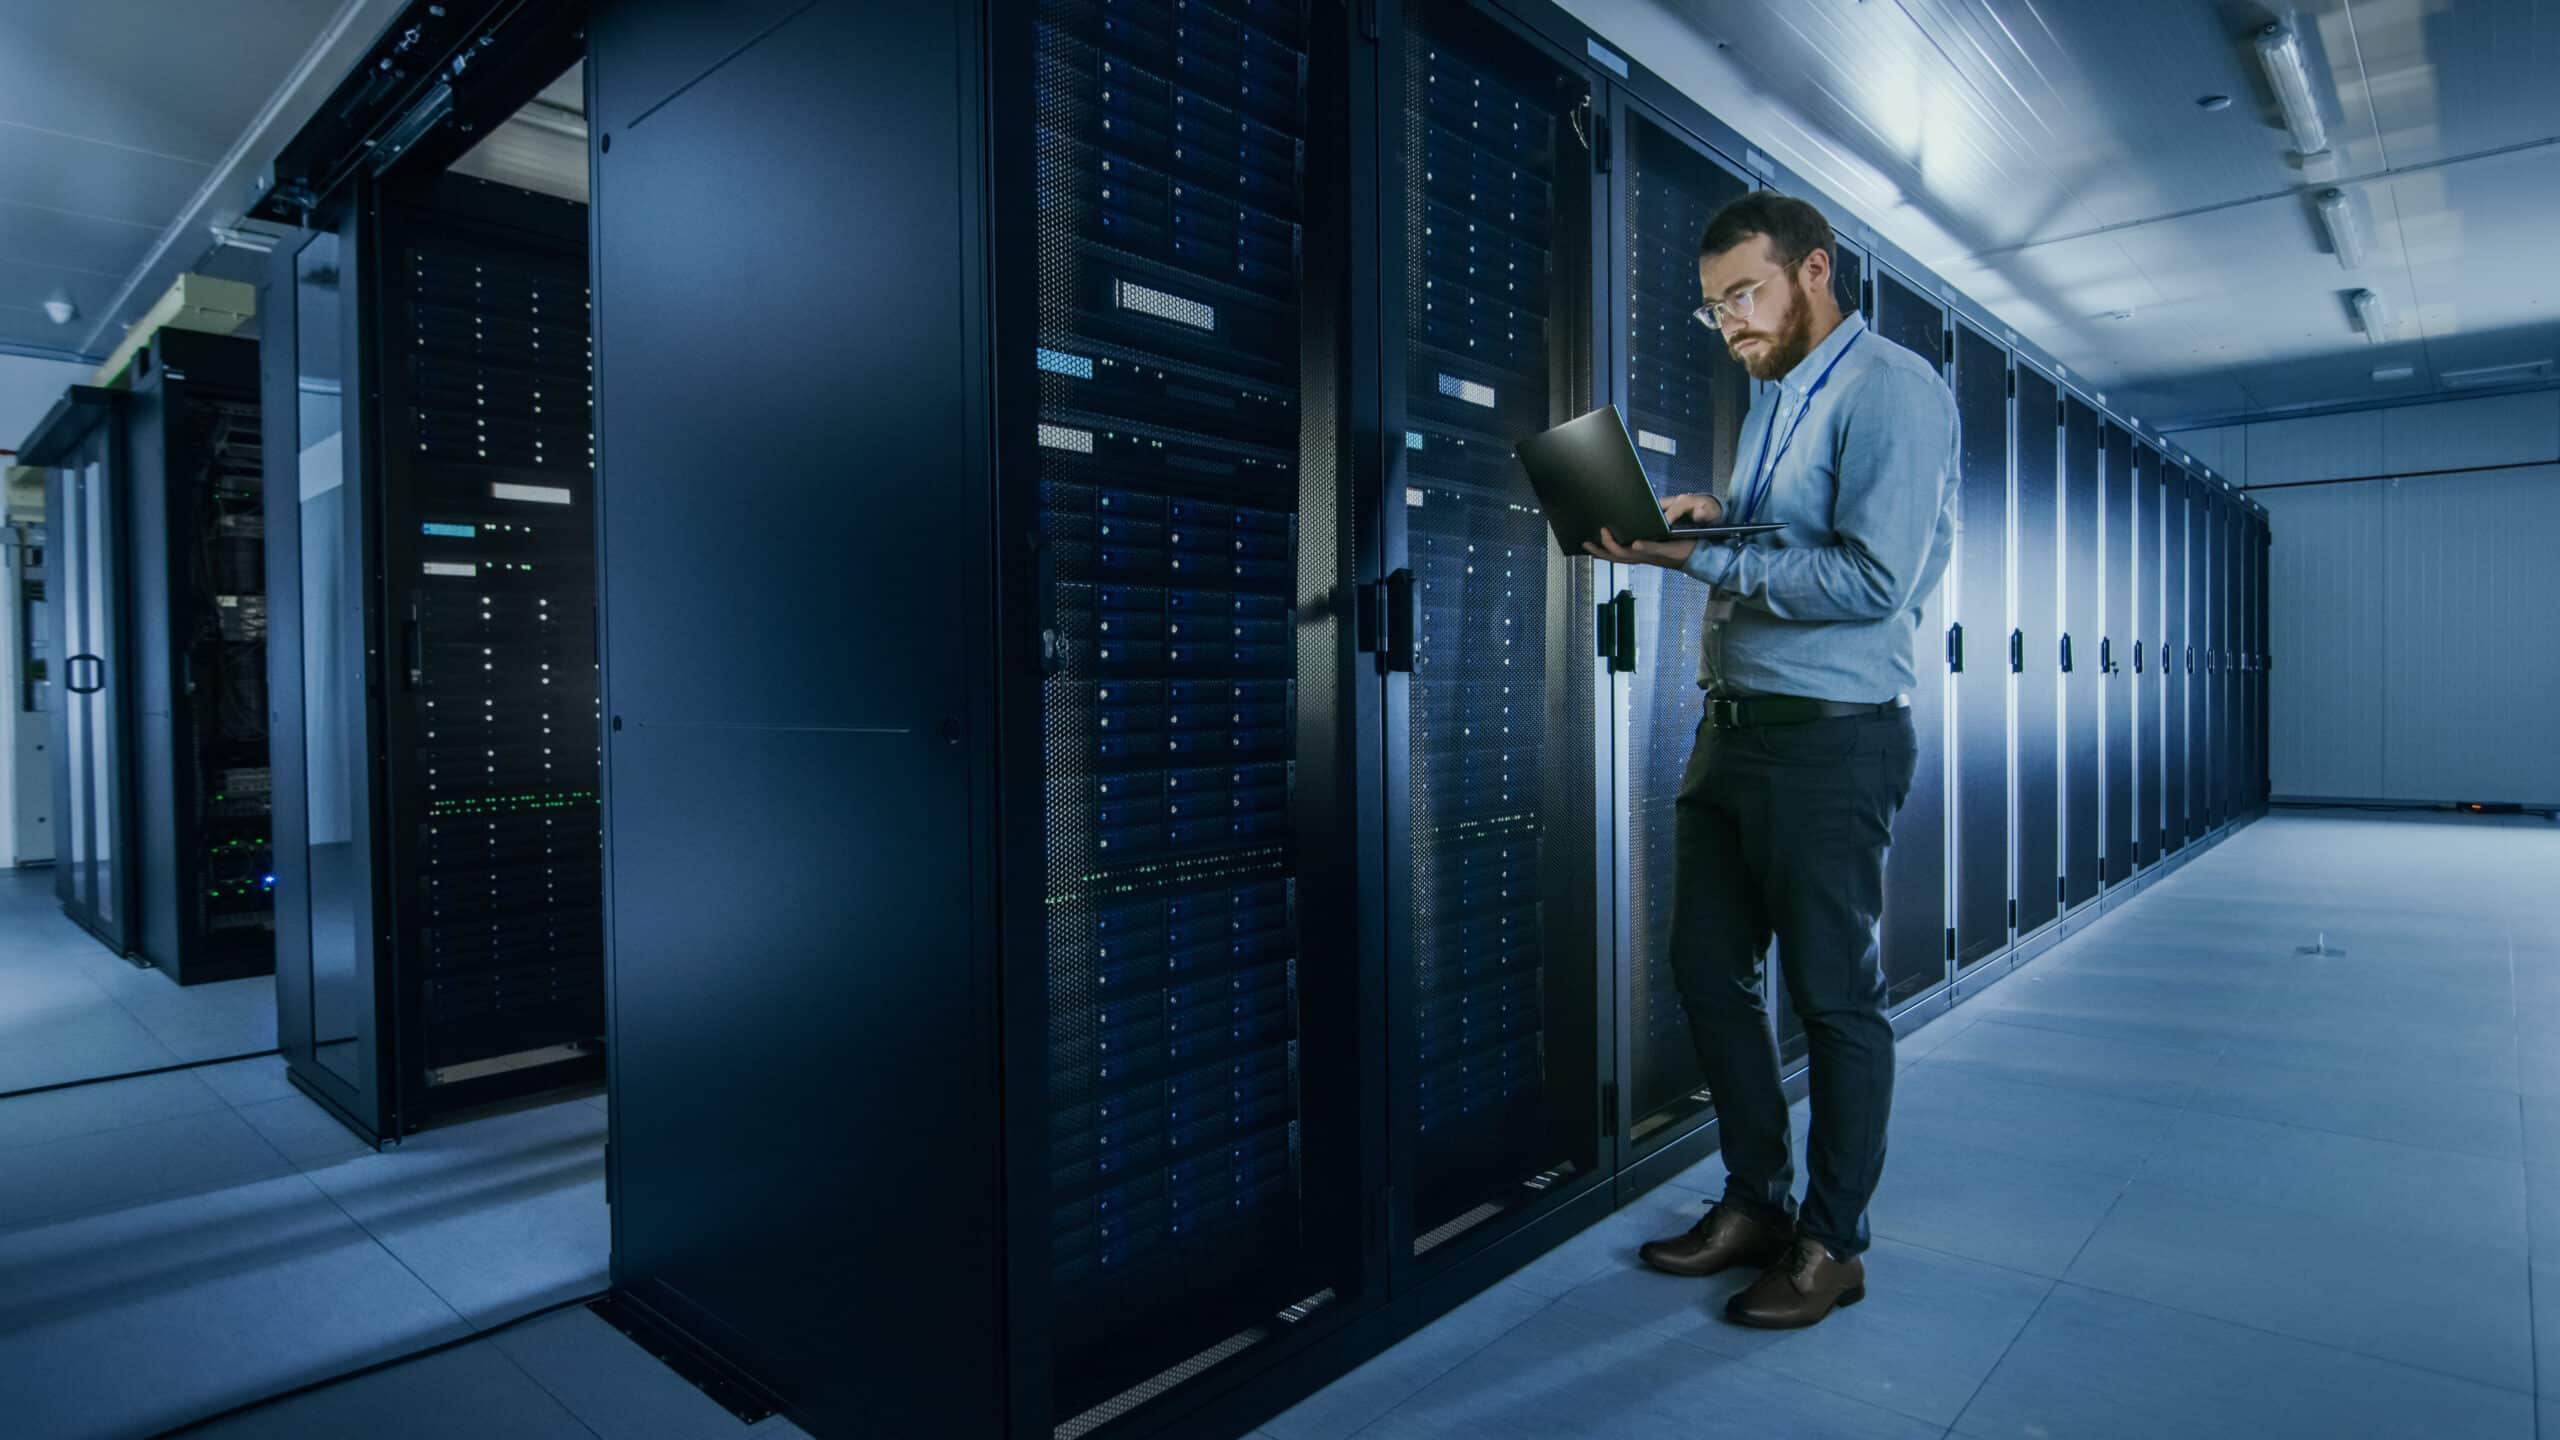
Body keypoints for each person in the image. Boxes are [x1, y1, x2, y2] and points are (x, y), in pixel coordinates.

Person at [1583, 191, 1958, 1329]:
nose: (1730, 323)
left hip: (1830, 744)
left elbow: (1869, 582)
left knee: (1835, 999)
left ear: (1812, 271)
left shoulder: (1890, 389)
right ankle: (1755, 1201)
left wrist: (1693, 557)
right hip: (1732, 732)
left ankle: (1831, 1246)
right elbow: (1787, 540)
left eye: (1742, 294)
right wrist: (1716, 514)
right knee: (1707, 972)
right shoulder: (1775, 399)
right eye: (1712, 309)